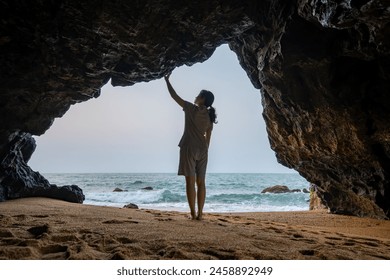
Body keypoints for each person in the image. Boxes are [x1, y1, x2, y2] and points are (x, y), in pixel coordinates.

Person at [164, 73, 217, 220]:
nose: (195, 97)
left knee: (190, 182)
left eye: (198, 95)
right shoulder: (209, 116)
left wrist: (167, 81)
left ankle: (193, 214)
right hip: (203, 150)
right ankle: (200, 214)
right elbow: (209, 136)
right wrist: (204, 150)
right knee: (201, 183)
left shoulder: (190, 108)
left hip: (189, 147)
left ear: (202, 99)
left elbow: (174, 96)